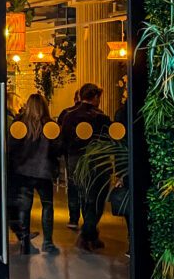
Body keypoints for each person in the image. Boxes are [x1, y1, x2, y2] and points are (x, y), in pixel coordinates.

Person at [59, 83, 111, 252]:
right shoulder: (101, 117)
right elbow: (108, 141)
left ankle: (91, 234)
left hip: (75, 160)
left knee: (85, 195)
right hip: (97, 161)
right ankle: (87, 233)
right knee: (96, 197)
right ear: (95, 97)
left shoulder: (69, 115)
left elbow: (63, 140)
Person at [10, 94, 59, 254]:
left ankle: (25, 244)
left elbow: (12, 147)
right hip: (44, 172)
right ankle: (48, 242)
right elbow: (59, 148)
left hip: (24, 172)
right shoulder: (50, 125)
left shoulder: (20, 124)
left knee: (24, 207)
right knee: (47, 206)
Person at [58, 90, 82, 228]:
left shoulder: (66, 113)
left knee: (72, 184)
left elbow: (61, 134)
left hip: (71, 153)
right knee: (86, 185)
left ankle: (73, 218)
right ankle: (88, 219)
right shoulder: (98, 114)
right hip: (88, 154)